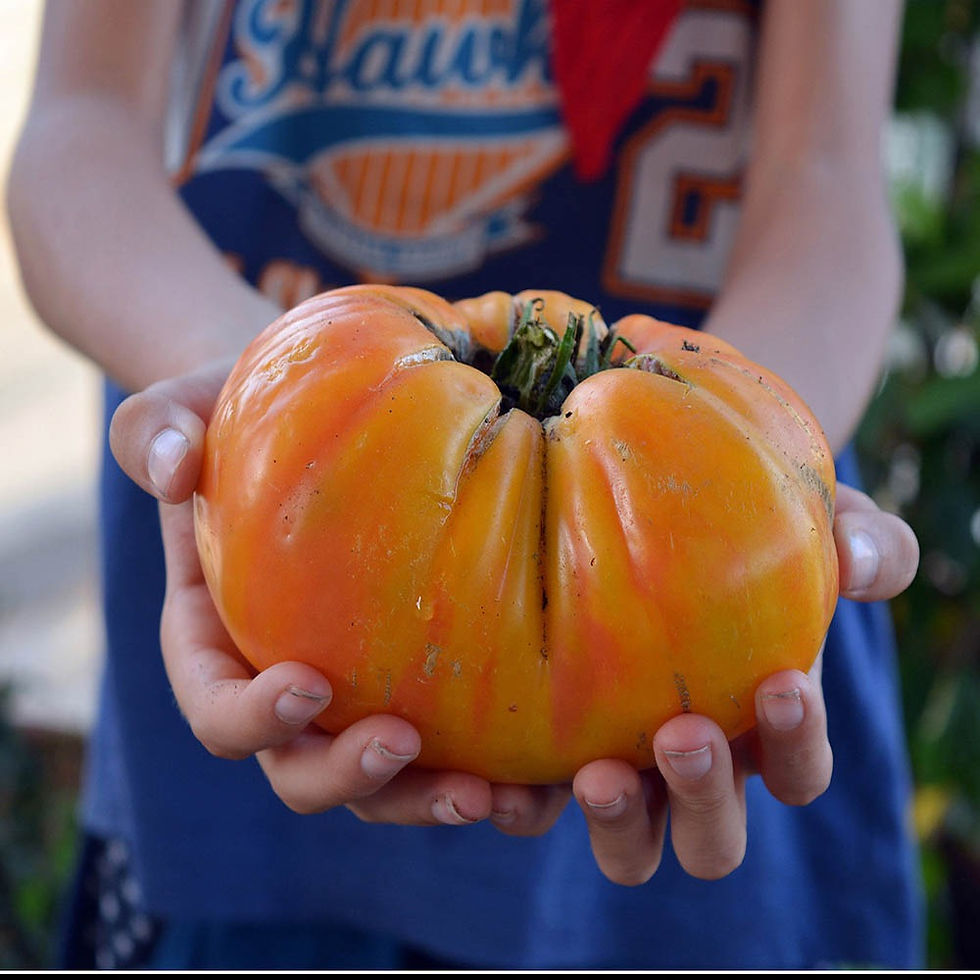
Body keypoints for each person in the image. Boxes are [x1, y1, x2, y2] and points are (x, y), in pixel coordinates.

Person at [7, 0, 924, 970]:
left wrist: (760, 463)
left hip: (688, 715)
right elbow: (80, 126)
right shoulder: (250, 416)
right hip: (264, 759)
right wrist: (247, 389)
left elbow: (820, 175)